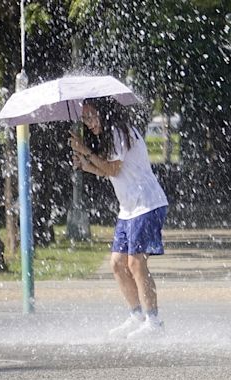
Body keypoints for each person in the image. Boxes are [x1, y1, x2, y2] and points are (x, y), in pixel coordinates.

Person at [69, 97, 168, 339]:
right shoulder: (111, 135)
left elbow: (113, 169)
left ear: (103, 112)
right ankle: (137, 315)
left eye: (91, 116)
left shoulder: (120, 131)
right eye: (85, 118)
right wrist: (85, 165)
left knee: (135, 263)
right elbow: (109, 171)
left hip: (146, 204)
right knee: (117, 263)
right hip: (129, 209)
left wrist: (87, 152)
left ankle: (153, 322)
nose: (89, 123)